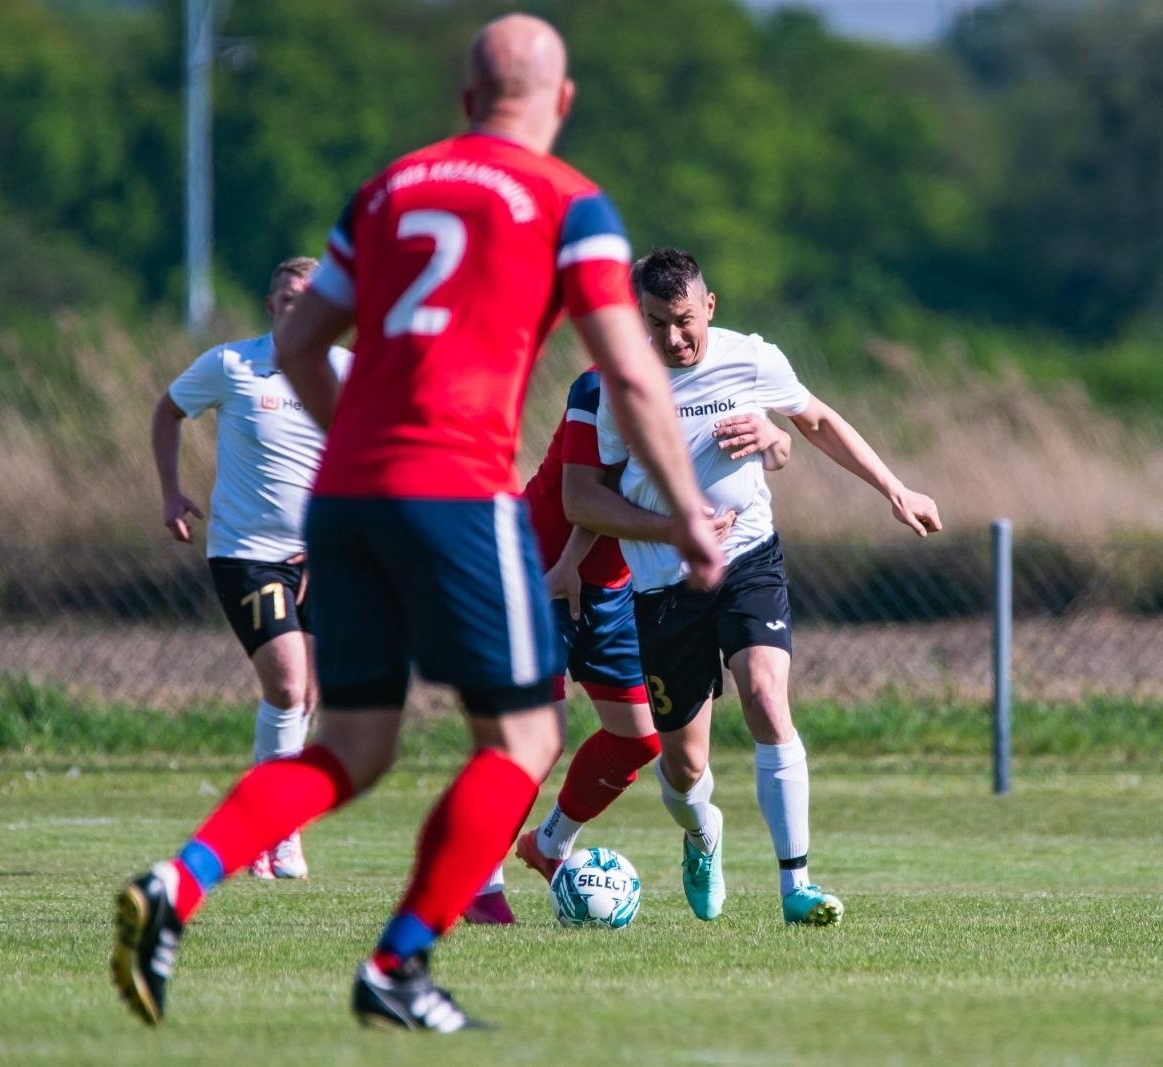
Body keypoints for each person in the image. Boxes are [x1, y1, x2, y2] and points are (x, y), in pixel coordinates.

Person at [112, 13, 722, 1034]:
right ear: (560, 103)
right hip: (457, 489)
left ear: (463, 103)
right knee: (525, 733)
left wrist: (358, 443)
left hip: (343, 496)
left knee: (351, 742)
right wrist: (690, 512)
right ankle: (398, 962)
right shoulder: (568, 201)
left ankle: (178, 884)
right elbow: (627, 369)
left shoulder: (388, 190)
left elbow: (302, 345)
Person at [584, 247, 941, 927]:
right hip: (665, 590)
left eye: (684, 320)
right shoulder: (620, 386)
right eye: (656, 324)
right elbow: (591, 498)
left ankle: (795, 887)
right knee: (686, 769)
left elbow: (818, 422)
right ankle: (702, 836)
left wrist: (894, 487)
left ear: (709, 307)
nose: (673, 338)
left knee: (768, 698)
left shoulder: (751, 357)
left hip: (749, 559)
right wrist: (669, 529)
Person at [480, 367, 790, 914]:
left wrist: (774, 438)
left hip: (615, 586)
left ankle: (550, 843)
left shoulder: (703, 380)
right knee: (535, 737)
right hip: (540, 570)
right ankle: (479, 883)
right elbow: (592, 490)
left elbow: (776, 433)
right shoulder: (599, 388)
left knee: (638, 738)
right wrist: (570, 562)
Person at [151, 256, 351, 881]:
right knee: (288, 686)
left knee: (313, 695)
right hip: (247, 555)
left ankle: (270, 822)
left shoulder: (347, 372)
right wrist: (171, 492)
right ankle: (274, 833)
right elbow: (168, 412)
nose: (299, 307)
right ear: (272, 306)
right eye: (288, 297)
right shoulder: (231, 365)